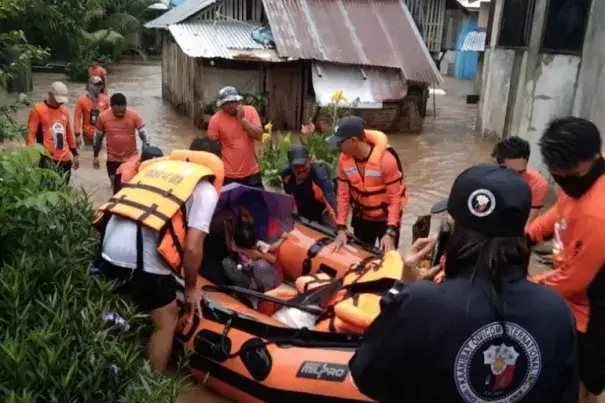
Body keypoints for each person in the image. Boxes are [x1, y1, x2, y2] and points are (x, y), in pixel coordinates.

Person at [350, 164, 578, 403]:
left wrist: (402, 287)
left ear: (453, 232)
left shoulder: (421, 304)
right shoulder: (557, 310)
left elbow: (366, 375)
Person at [94, 137, 224, 373]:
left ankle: (111, 372)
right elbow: (193, 247)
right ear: (216, 161)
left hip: (108, 247)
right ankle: (151, 387)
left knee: (124, 307)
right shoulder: (205, 188)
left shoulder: (157, 169)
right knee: (166, 320)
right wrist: (191, 288)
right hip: (142, 258)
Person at [526, 117, 605, 403]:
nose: (559, 178)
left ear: (588, 161)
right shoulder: (581, 181)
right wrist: (526, 237)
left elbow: (573, 280)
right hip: (575, 281)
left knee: (585, 380)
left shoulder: (599, 214)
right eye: (554, 172)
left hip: (595, 305)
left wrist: (527, 287)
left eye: (566, 172)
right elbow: (560, 211)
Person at [327, 115, 408, 252]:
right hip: (362, 218)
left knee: (388, 258)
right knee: (360, 255)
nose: (337, 146)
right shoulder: (343, 161)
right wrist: (341, 228)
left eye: (340, 142)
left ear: (353, 140)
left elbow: (396, 198)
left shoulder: (386, 160)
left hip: (386, 221)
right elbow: (343, 195)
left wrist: (391, 232)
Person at [207, 86, 264, 188]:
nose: (230, 105)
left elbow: (259, 136)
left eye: (233, 102)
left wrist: (243, 120)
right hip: (228, 174)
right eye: (227, 103)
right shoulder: (215, 120)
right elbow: (211, 149)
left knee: (259, 202)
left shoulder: (250, 111)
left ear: (238, 101)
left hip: (252, 172)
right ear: (221, 106)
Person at [26, 81, 79, 184]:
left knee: (63, 190)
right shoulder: (37, 110)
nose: (61, 103)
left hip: (65, 159)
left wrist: (75, 154)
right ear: (50, 95)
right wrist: (31, 156)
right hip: (47, 158)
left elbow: (68, 134)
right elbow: (30, 135)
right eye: (58, 100)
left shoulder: (64, 111)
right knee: (47, 189)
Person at [93, 93, 150, 187]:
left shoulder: (134, 115)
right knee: (115, 187)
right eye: (117, 112)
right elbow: (97, 138)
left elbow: (145, 137)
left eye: (122, 112)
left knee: (130, 188)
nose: (120, 114)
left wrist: (144, 159)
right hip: (113, 159)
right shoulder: (102, 117)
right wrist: (95, 156)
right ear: (111, 106)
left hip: (131, 159)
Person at [492, 136, 549, 223]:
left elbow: (527, 223)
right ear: (498, 165)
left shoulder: (537, 185)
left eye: (521, 172)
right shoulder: (487, 180)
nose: (516, 178)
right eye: (510, 172)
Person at [222, 220, 286, 293]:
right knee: (227, 262)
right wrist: (226, 228)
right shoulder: (236, 248)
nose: (232, 242)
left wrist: (242, 250)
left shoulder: (258, 246)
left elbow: (273, 259)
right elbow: (230, 247)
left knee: (261, 265)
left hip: (264, 278)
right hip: (249, 277)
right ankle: (246, 291)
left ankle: (268, 294)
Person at [281, 145, 337, 227]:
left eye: (303, 165)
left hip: (322, 215)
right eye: (296, 166)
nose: (300, 169)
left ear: (309, 161)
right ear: (290, 165)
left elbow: (332, 206)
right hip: (302, 214)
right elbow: (289, 195)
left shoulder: (319, 178)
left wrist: (340, 229)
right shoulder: (286, 175)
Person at [75, 76, 110, 146]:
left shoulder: (106, 100)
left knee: (101, 154)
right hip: (87, 134)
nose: (98, 87)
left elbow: (109, 119)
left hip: (100, 134)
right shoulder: (81, 100)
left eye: (100, 84)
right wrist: (77, 134)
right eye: (96, 84)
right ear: (89, 86)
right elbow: (77, 118)